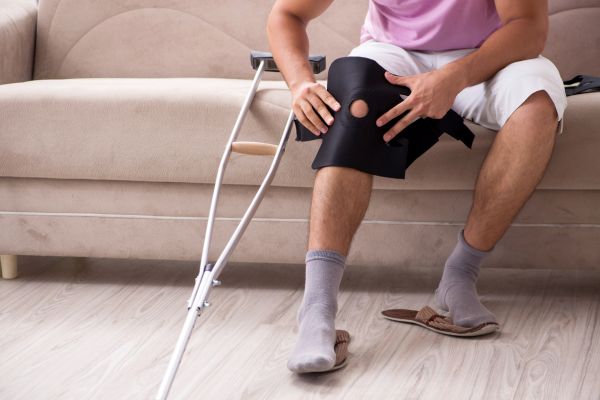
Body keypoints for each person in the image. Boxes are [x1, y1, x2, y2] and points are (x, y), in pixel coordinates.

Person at [266, 0, 567, 374]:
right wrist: (299, 83)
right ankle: (316, 311)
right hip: (394, 52)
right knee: (353, 107)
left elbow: (528, 27)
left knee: (536, 107)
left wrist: (456, 76)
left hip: (491, 54)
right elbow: (287, 14)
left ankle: (459, 276)